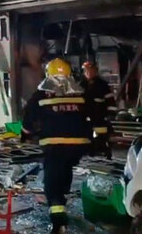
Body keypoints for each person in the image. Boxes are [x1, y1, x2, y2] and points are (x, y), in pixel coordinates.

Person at [22, 58, 91, 234]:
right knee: (65, 170)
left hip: (53, 146)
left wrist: (26, 133)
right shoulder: (80, 93)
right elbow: (93, 115)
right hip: (77, 146)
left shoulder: (41, 94)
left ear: (48, 74)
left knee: (52, 183)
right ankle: (62, 197)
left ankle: (58, 220)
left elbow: (29, 118)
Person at [80, 61, 115, 159]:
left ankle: (103, 152)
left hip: (100, 116)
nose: (88, 73)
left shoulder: (102, 85)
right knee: (86, 137)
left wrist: (110, 115)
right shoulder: (80, 85)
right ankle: (89, 153)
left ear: (95, 71)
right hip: (85, 117)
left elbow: (110, 101)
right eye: (86, 71)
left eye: (90, 70)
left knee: (102, 137)